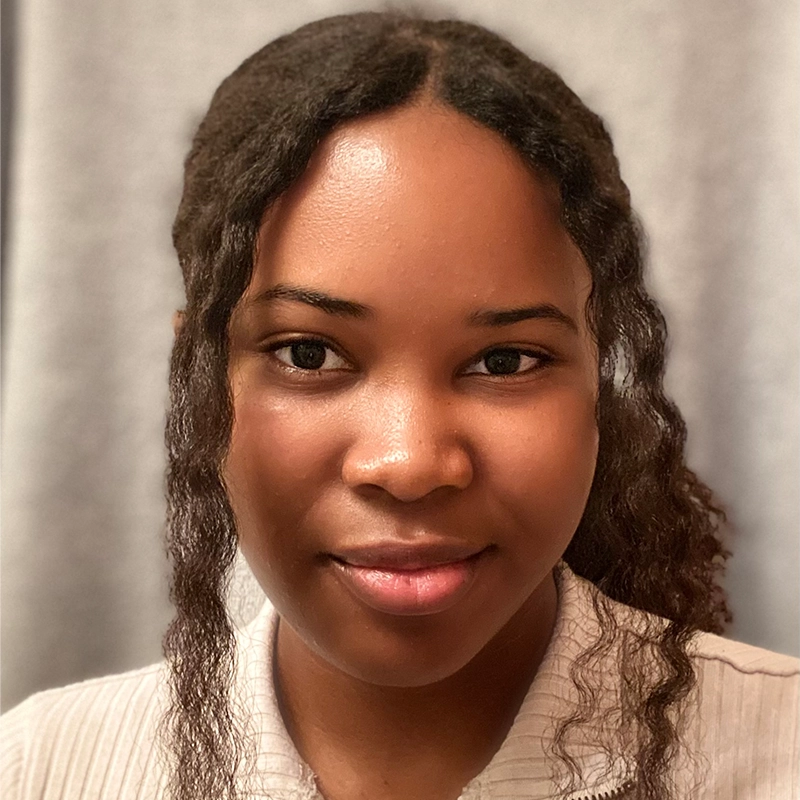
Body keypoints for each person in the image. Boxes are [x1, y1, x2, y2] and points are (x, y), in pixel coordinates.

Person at [1, 11, 797, 800]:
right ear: (198, 374)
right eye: (307, 354)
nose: (411, 465)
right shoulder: (38, 770)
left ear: (599, 371)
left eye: (505, 361)